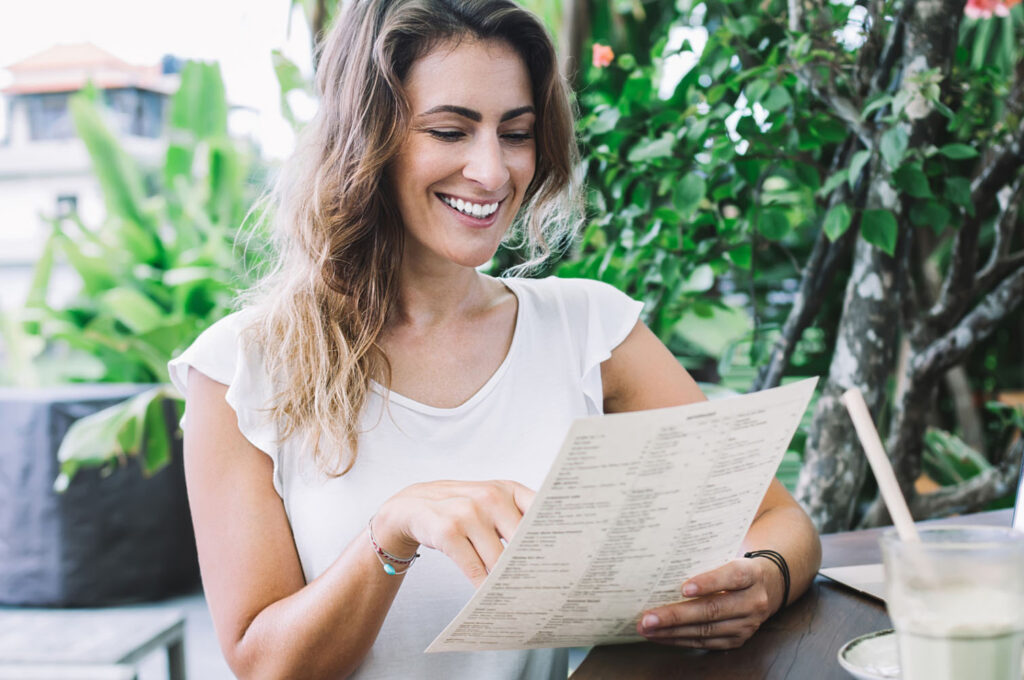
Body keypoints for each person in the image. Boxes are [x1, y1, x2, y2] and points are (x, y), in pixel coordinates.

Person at [169, 0, 822, 677]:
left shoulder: (588, 331)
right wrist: (392, 530)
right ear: (366, 140)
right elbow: (263, 663)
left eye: (515, 133)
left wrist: (763, 578)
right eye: (450, 130)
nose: (492, 171)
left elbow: (782, 522)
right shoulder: (242, 368)